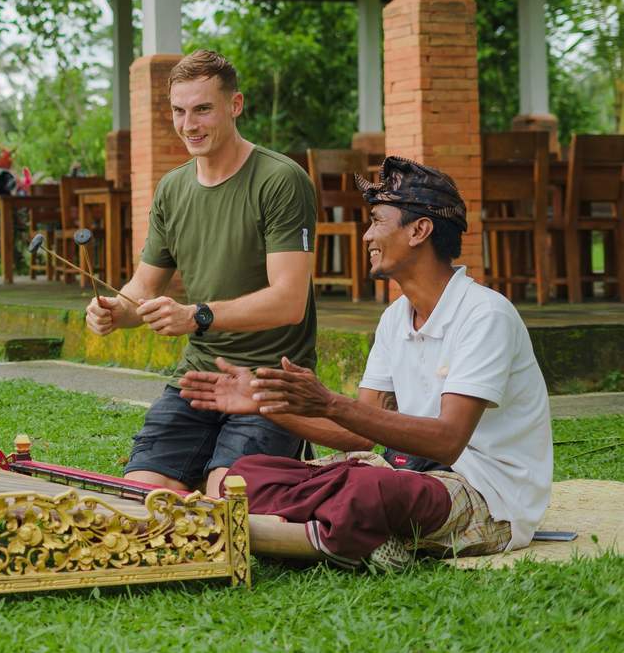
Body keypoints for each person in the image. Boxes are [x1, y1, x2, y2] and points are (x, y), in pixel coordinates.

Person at [181, 157, 552, 569]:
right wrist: (269, 406)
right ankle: (349, 533)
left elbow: (448, 441)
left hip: (482, 492)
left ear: (419, 230)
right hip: (404, 474)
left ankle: (341, 529)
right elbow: (357, 436)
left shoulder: (485, 315)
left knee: (365, 488)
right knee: (248, 472)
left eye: (377, 222)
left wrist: (329, 402)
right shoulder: (396, 317)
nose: (366, 236)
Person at [85, 49, 316, 497]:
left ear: (235, 105)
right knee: (143, 498)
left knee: (227, 505)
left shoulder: (280, 180)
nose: (189, 125)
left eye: (203, 109)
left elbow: (290, 301)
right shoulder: (172, 188)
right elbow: (144, 288)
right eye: (179, 111)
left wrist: (197, 316)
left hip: (269, 383)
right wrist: (117, 311)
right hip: (197, 380)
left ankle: (283, 461)